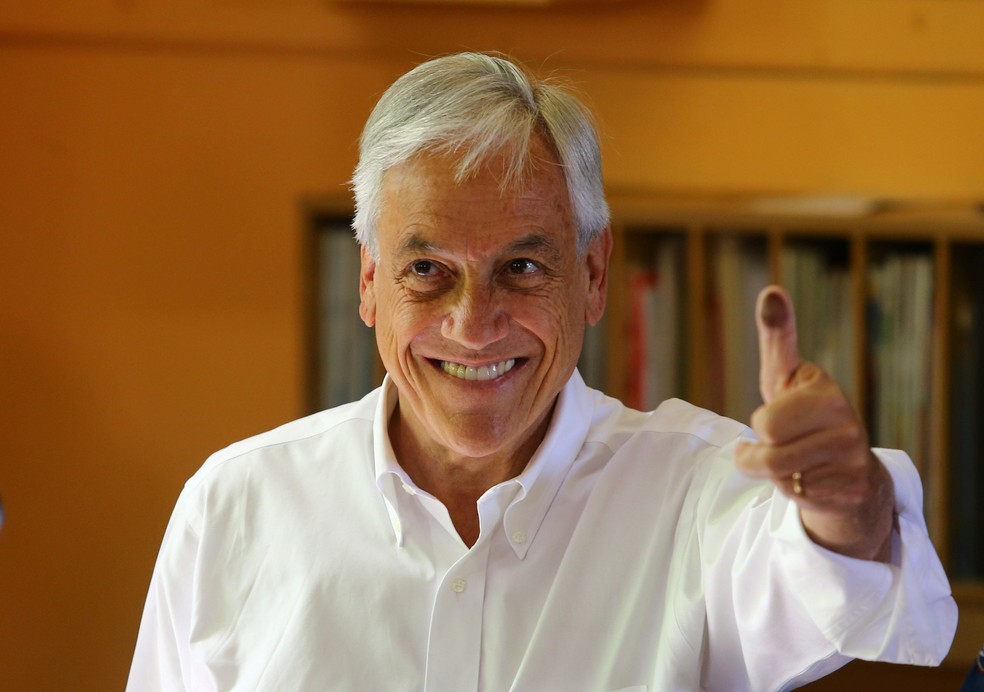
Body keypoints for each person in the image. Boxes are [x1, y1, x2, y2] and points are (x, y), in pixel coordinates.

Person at [127, 52, 956, 690]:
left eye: (521, 268)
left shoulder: (696, 495)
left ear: (593, 276)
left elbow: (834, 575)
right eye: (427, 270)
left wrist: (846, 499)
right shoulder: (236, 506)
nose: (473, 323)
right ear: (370, 282)